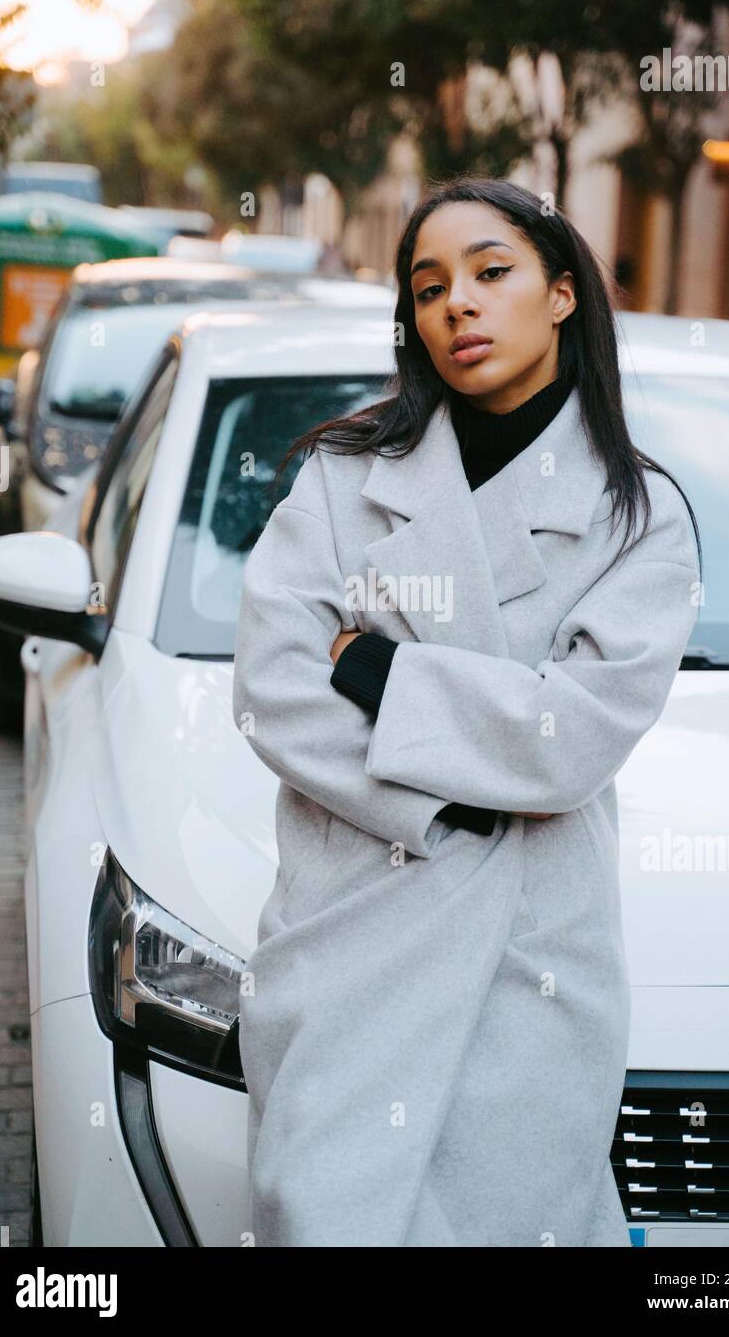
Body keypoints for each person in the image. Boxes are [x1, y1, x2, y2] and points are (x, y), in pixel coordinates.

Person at [232, 175, 703, 1247]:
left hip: (531, 963)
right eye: (429, 285)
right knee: (326, 1209)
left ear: (560, 293)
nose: (457, 305)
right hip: (350, 927)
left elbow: (569, 740)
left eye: (491, 272)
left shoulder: (637, 514)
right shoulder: (342, 480)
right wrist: (450, 810)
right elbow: (272, 689)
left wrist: (380, 673)